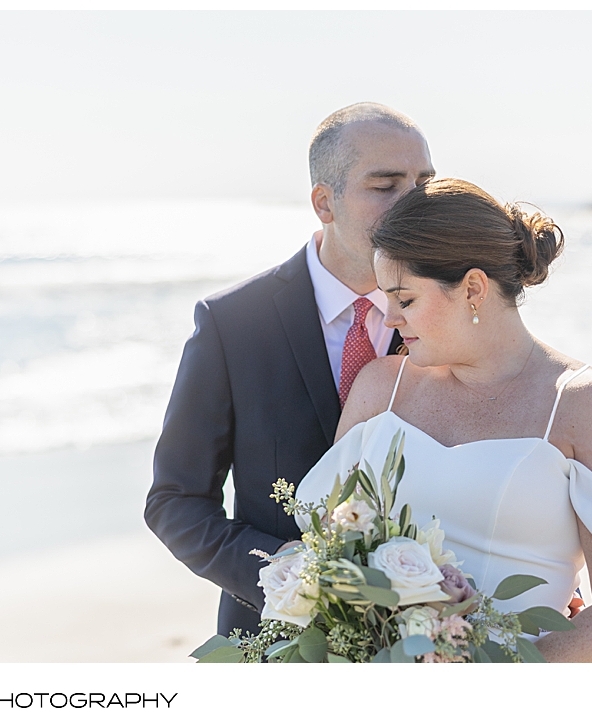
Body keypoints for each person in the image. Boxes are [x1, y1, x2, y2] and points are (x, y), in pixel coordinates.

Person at [295, 178, 592, 662]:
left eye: (406, 299)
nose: (389, 317)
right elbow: (329, 549)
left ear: (473, 289)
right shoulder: (380, 387)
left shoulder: (591, 405)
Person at [144, 103, 436, 638]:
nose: (413, 205)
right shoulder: (231, 323)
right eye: (386, 185)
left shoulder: (451, 314)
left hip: (427, 636)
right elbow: (176, 502)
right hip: (273, 638)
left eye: (424, 184)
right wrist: (295, 580)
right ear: (325, 202)